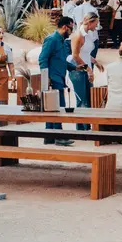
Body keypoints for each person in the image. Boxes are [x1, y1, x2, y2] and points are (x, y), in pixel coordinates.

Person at [39, 16, 75, 146]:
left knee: (53, 108)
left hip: (59, 77)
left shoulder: (62, 41)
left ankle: (49, 136)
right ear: (65, 27)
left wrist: (75, 67)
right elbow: (43, 59)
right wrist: (46, 78)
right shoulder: (52, 40)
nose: (72, 31)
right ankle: (59, 136)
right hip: (53, 79)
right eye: (71, 28)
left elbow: (61, 61)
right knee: (58, 107)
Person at [68, 13, 102, 130]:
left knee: (89, 99)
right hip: (78, 70)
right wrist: (89, 70)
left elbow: (86, 53)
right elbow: (75, 56)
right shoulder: (78, 35)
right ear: (90, 22)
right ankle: (82, 129)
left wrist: (95, 62)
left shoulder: (88, 34)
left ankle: (86, 127)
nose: (96, 26)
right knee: (82, 100)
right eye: (95, 24)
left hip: (86, 68)